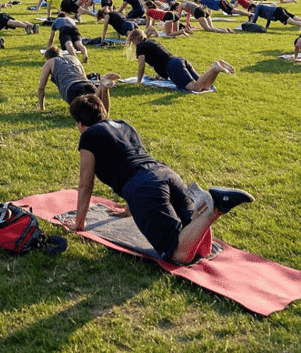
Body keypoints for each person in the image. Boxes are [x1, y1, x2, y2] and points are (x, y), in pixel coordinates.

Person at [60, 92, 254, 264]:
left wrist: (79, 225)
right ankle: (211, 208)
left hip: (144, 187)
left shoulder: (88, 136)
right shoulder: (123, 125)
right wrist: (128, 210)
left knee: (177, 255)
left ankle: (215, 208)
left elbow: (86, 184)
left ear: (79, 123)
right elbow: (130, 158)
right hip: (166, 174)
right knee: (200, 249)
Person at [126, 28, 234, 91]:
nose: (132, 44)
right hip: (178, 61)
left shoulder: (140, 46)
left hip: (173, 66)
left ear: (135, 39)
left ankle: (214, 68)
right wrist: (158, 76)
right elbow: (160, 58)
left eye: (132, 41)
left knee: (195, 88)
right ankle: (216, 68)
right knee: (205, 87)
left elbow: (141, 66)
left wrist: (139, 82)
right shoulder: (150, 42)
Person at [37, 47, 118, 111]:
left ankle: (101, 87)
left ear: (48, 57)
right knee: (100, 110)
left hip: (71, 88)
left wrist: (41, 108)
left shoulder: (50, 62)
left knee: (87, 111)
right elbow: (84, 75)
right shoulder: (73, 58)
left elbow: (41, 87)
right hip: (87, 83)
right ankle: (102, 88)